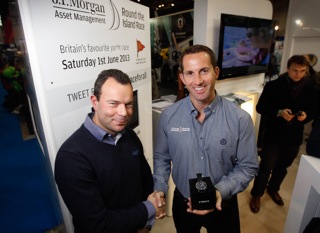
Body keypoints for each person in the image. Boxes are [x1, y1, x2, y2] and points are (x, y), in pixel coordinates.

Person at [153, 44, 259, 233]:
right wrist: (160, 188)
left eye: (204, 71)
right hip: (183, 203)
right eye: (190, 73)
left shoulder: (240, 119)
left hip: (223, 204)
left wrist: (220, 191)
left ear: (216, 72)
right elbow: (162, 157)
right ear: (182, 78)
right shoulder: (169, 117)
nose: (198, 81)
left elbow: (247, 167)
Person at [55, 69, 165, 233]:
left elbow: (144, 177)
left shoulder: (129, 135)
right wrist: (149, 209)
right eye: (113, 103)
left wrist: (146, 224)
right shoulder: (71, 158)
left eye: (128, 104)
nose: (123, 113)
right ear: (95, 101)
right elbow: (97, 224)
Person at [249, 55, 318, 213]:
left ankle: (273, 189)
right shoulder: (273, 86)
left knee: (283, 167)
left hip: (294, 136)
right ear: (288, 69)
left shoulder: (311, 90)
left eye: (302, 71)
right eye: (295, 70)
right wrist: (279, 112)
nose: (298, 74)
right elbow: (261, 108)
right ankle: (257, 194)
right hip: (274, 134)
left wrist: (306, 115)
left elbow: (314, 111)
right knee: (266, 166)